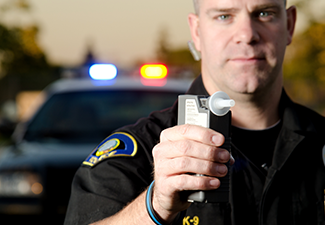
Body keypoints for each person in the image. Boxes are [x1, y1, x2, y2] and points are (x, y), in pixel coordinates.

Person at [64, 0, 325, 224]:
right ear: (197, 32)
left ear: (289, 25)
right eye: (224, 16)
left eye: (264, 13)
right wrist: (154, 206)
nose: (247, 34)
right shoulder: (138, 153)